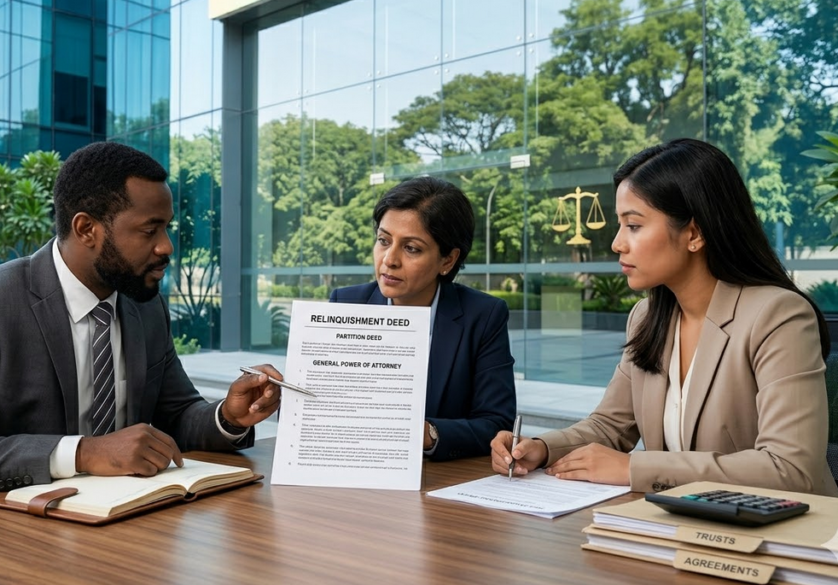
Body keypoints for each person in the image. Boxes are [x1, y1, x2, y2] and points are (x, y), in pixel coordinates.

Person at [0, 142, 283, 495]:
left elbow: (177, 415)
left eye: (166, 228)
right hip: (14, 533)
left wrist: (229, 417)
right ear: (86, 229)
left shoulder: (145, 305)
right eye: (150, 230)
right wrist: (83, 454)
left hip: (127, 524)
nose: (166, 247)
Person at [491, 138, 838, 496]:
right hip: (680, 525)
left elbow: (791, 468)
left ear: (694, 232)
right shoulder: (647, 317)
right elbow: (611, 425)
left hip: (785, 536)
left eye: (634, 225)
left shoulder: (778, 316)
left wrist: (633, 467)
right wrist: (540, 447)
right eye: (620, 224)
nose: (617, 243)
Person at [330, 176, 516, 461]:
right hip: (352, 472)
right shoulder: (345, 305)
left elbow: (496, 423)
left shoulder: (483, 316)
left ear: (447, 261)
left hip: (437, 483)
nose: (389, 260)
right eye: (383, 240)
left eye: (411, 248)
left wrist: (428, 434)